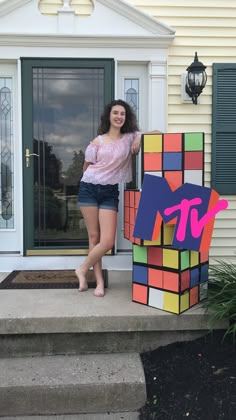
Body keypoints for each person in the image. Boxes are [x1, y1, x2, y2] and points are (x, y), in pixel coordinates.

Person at [75, 99, 141, 297]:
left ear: (126, 117)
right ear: (109, 116)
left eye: (122, 113)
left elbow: (157, 134)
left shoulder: (130, 137)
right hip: (89, 188)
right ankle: (99, 283)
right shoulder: (97, 142)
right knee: (94, 237)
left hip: (109, 192)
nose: (119, 116)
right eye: (116, 113)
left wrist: (139, 138)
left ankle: (81, 269)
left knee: (107, 241)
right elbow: (86, 168)